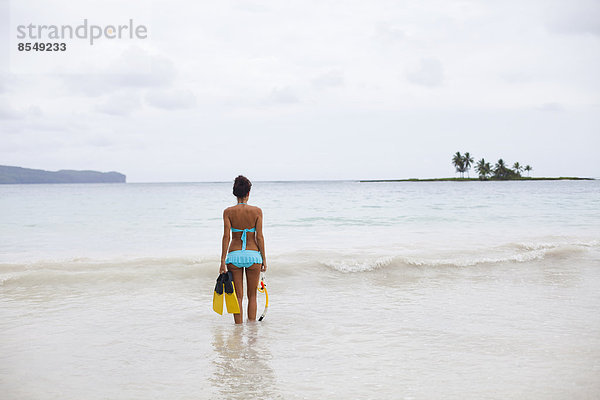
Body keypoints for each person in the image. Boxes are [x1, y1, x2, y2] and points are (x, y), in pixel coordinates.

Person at [220, 175, 267, 324]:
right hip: (253, 256)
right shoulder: (257, 211)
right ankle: (252, 335)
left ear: (235, 193)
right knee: (252, 296)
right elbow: (259, 237)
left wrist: (222, 261)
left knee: (238, 297)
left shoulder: (228, 212)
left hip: (234, 256)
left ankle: (238, 333)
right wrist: (264, 259)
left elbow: (226, 237)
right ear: (248, 193)